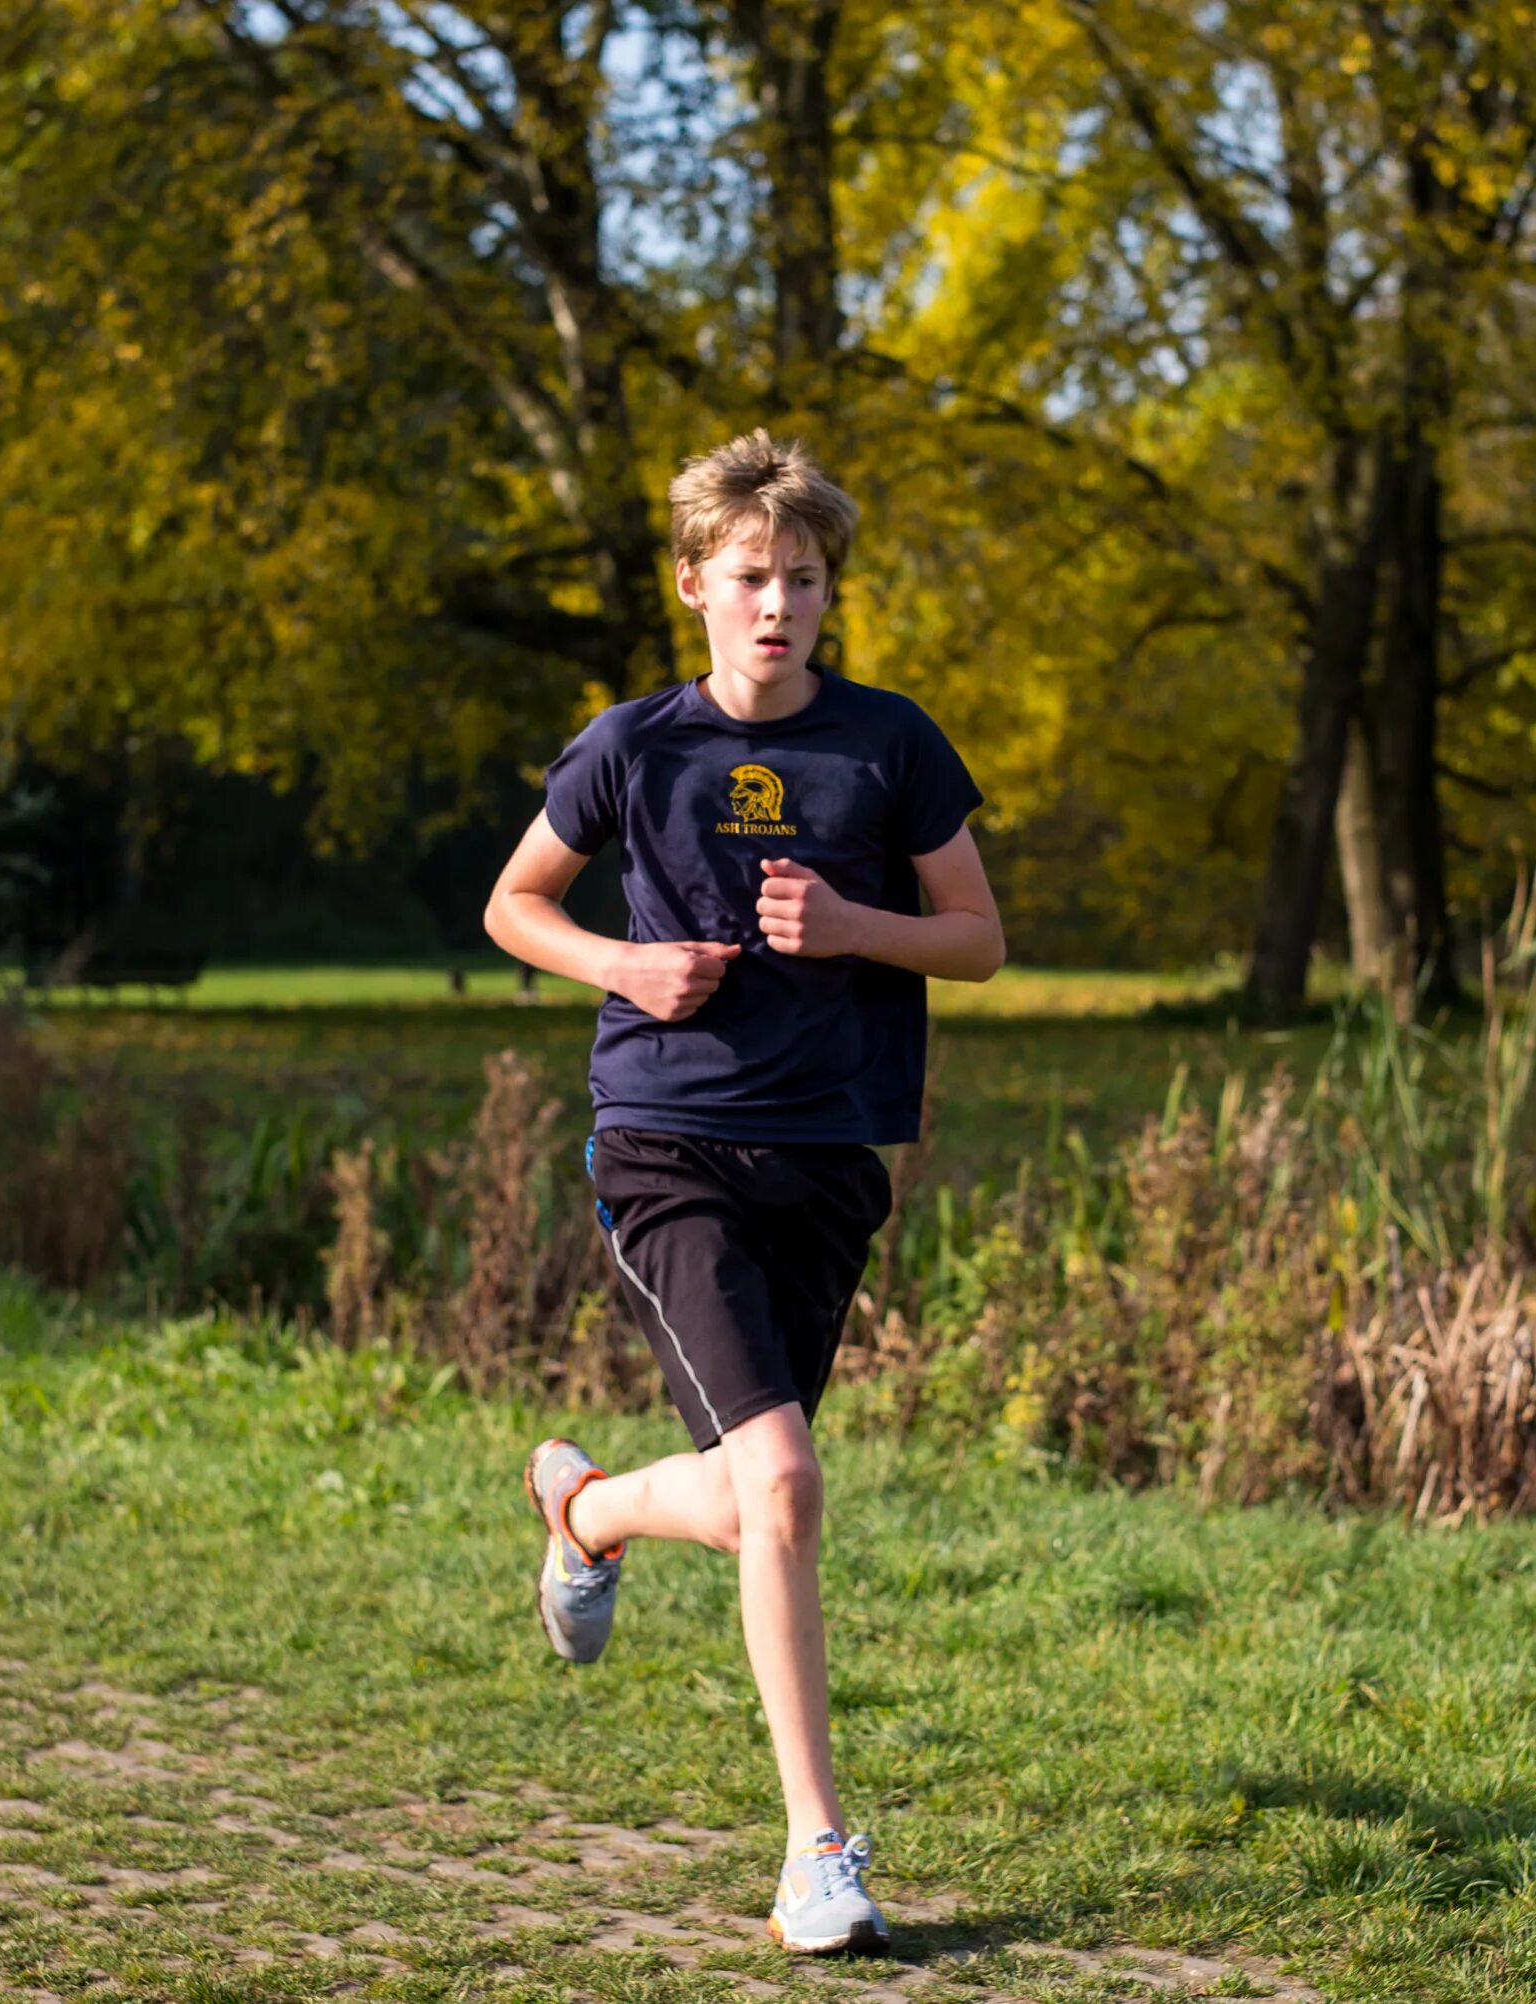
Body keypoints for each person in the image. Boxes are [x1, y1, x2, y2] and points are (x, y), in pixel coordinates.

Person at [482, 430, 1003, 1957]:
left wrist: (852, 922)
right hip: (667, 1141)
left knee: (750, 1491)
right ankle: (817, 1850)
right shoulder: (632, 746)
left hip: (831, 1156)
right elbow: (515, 904)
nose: (780, 603)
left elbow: (974, 939)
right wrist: (623, 963)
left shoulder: (890, 746)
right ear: (696, 583)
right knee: (780, 1485)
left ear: (829, 593)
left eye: (808, 579)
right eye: (754, 576)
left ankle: (583, 1508)